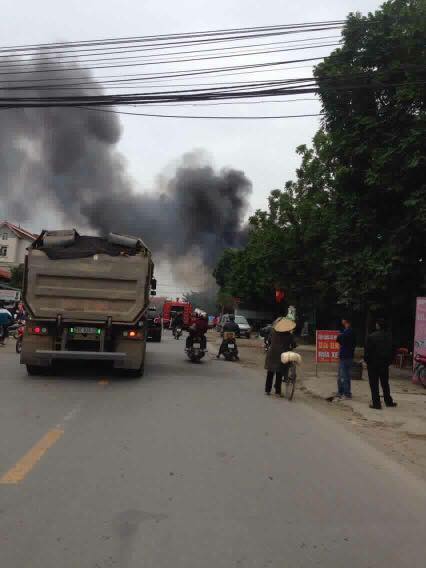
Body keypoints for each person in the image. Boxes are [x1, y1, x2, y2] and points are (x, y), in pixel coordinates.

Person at [364, 318, 397, 409]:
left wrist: (367, 362)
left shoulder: (371, 337)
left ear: (378, 325)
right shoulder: (390, 337)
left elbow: (367, 352)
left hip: (373, 364)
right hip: (384, 364)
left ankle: (376, 403)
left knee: (374, 384)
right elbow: (394, 350)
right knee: (385, 383)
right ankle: (388, 401)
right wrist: (389, 361)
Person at [264, 317, 296, 397]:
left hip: (271, 354)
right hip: (282, 355)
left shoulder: (272, 331)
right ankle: (277, 392)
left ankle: (267, 390)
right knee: (279, 372)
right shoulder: (289, 335)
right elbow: (293, 344)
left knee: (270, 372)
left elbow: (269, 340)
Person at [336, 318, 356, 399]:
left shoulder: (346, 332)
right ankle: (345, 392)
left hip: (344, 356)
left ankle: (344, 393)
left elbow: (338, 339)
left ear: (345, 321)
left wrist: (340, 335)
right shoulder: (352, 332)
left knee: (342, 376)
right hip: (350, 356)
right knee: (347, 375)